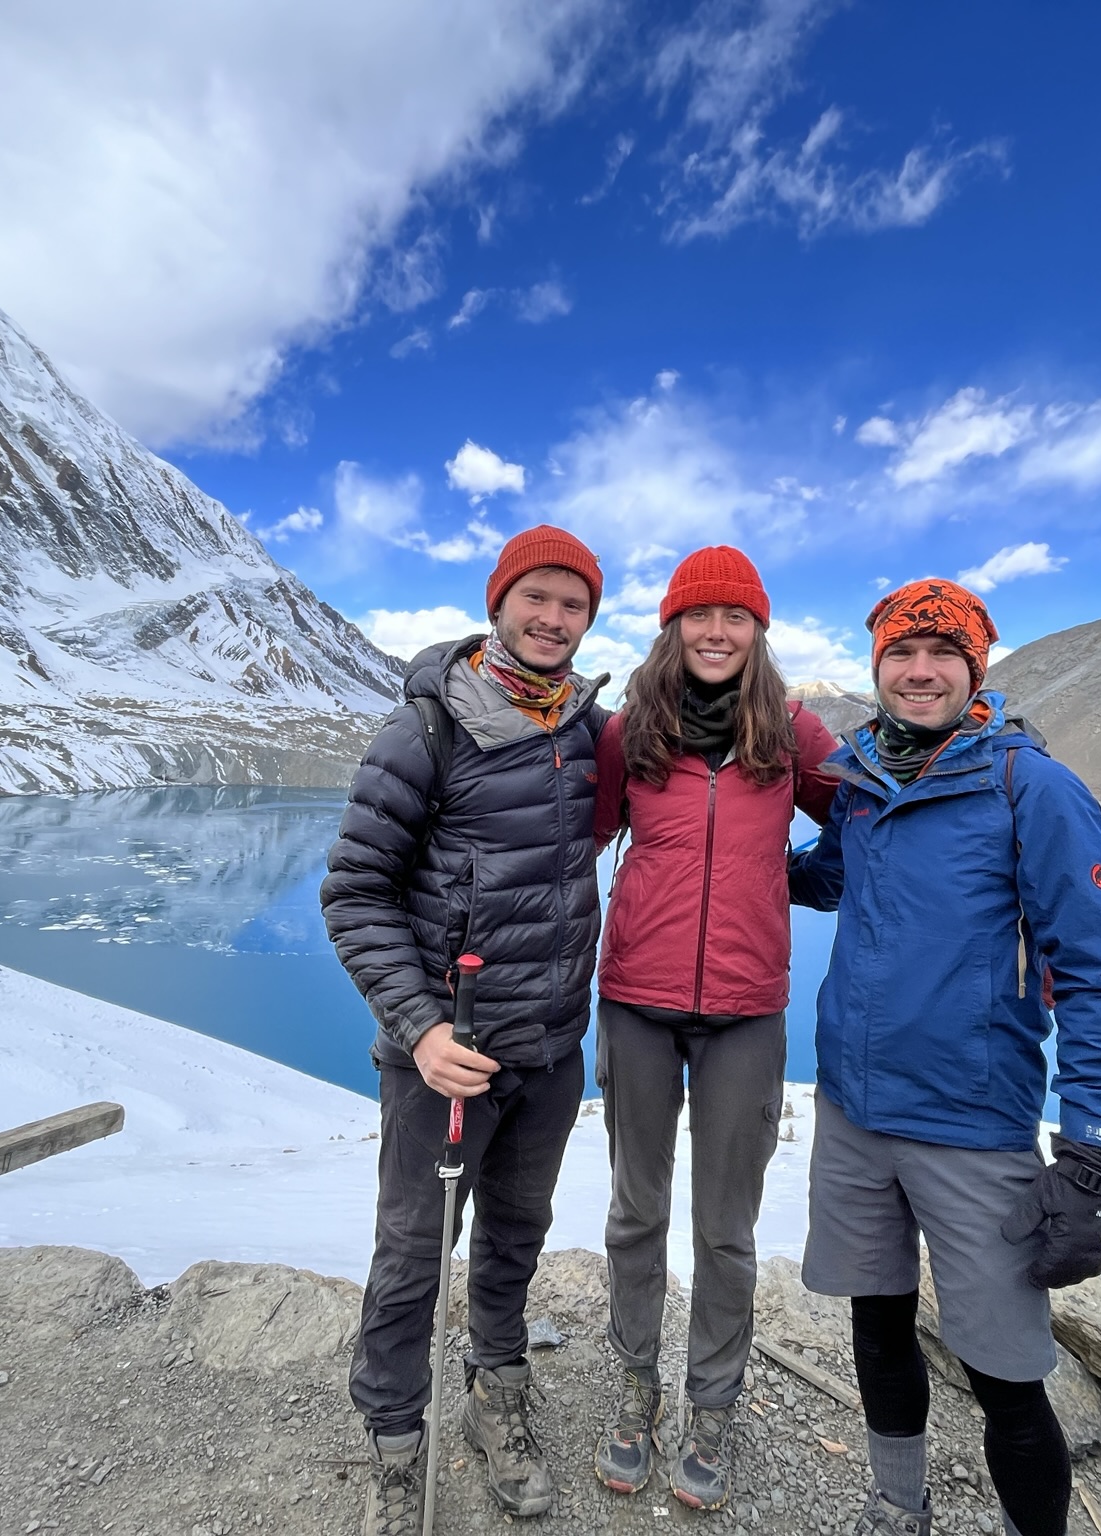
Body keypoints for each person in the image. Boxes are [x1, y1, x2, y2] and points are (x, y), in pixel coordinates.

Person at [788, 578, 1101, 1536]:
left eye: (943, 654)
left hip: (973, 1129)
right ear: (877, 669)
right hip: (854, 1115)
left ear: (975, 667)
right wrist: (718, 845)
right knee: (877, 1325)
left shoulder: (1031, 786)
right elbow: (824, 878)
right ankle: (896, 1507)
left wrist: (1095, 1154)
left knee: (1007, 1374)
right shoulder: (864, 784)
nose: (919, 671)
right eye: (901, 654)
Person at [321, 525, 609, 1536]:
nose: (551, 618)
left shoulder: (587, 728)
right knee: (411, 1251)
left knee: (515, 1237)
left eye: (571, 604)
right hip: (442, 1060)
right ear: (499, 602)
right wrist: (418, 1026)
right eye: (535, 596)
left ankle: (496, 1395)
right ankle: (394, 1445)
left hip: (549, 1048)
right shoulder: (426, 727)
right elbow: (355, 892)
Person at [589, 545, 841, 1510]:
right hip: (638, 1005)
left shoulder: (792, 732)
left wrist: (800, 880)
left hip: (746, 1014)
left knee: (725, 1229)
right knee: (635, 1212)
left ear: (758, 632)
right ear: (673, 626)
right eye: (701, 616)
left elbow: (868, 825)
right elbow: (577, 837)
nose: (717, 633)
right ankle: (633, 1385)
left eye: (737, 618)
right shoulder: (628, 734)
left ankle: (713, 1407)